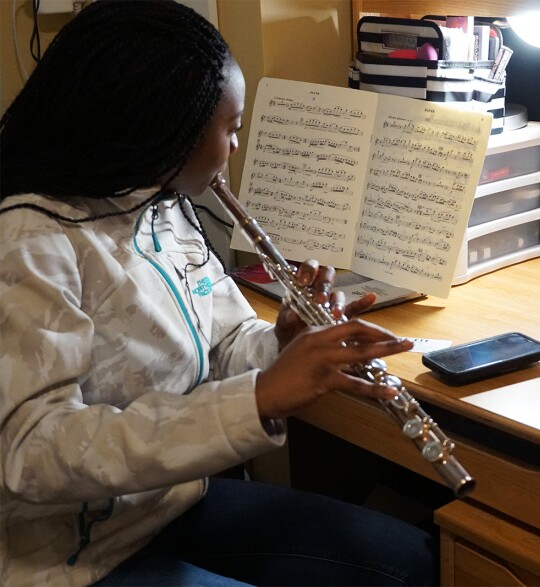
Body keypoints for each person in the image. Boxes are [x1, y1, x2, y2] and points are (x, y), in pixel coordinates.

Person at [0, 1, 437, 585]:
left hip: (164, 505)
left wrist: (284, 341)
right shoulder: (30, 241)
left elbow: (227, 338)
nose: (235, 146)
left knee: (406, 560)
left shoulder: (161, 205)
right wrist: (256, 400)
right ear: (162, 129)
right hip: (70, 555)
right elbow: (31, 452)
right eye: (230, 129)